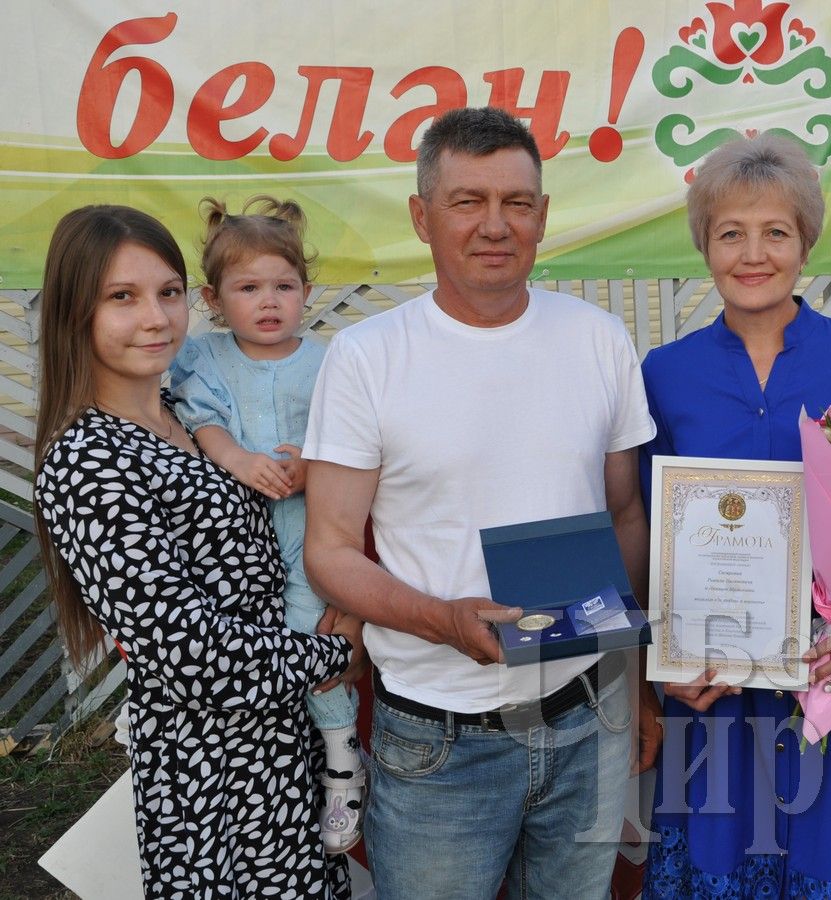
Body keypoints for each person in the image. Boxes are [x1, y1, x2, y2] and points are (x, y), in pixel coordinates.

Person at [301, 106, 663, 899]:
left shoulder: (599, 339)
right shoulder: (368, 358)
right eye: (468, 201)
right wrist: (442, 620)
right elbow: (328, 548)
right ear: (422, 217)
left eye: (517, 202)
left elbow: (625, 518)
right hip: (439, 737)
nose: (495, 225)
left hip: (587, 719)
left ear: (541, 214)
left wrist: (630, 680)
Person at [32, 204, 365, 898]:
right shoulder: (88, 458)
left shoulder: (186, 417)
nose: (155, 318)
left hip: (286, 740)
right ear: (74, 311)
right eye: (121, 297)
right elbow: (192, 656)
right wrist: (335, 652)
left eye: (168, 292)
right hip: (214, 773)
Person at [640, 134, 831, 898]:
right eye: (730, 232)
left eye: (775, 231)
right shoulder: (665, 375)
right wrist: (664, 661)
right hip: (718, 689)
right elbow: (648, 535)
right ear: (703, 244)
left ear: (805, 241)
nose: (753, 253)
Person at [168, 196, 365, 854]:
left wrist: (314, 465)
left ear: (306, 291)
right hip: (240, 537)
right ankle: (285, 770)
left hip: (313, 529)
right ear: (214, 298)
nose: (269, 301)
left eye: (284, 285)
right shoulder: (207, 357)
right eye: (248, 288)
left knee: (310, 636)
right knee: (253, 648)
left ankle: (342, 761)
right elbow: (204, 422)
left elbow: (357, 437)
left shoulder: (331, 359)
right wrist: (238, 460)